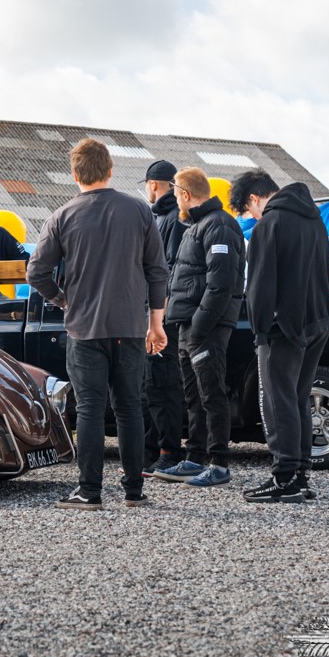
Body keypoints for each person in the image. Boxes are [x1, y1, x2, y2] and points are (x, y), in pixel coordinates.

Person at [27, 139, 169, 510]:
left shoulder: (63, 215)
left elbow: (36, 272)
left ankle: (89, 491)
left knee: (89, 409)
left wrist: (62, 300)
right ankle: (134, 490)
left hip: (84, 327)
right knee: (129, 408)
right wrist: (156, 324)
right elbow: (157, 271)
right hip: (130, 326)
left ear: (75, 175)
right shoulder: (139, 211)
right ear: (110, 171)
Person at [231, 170, 329, 504]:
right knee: (298, 397)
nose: (252, 217)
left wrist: (260, 328)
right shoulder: (314, 220)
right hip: (318, 320)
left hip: (283, 326)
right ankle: (300, 475)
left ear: (253, 199)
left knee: (277, 400)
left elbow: (259, 286)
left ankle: (285, 477)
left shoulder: (269, 224)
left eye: (249, 212)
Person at [154, 167, 245, 488]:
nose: (174, 198)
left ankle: (219, 464)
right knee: (193, 397)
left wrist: (200, 326)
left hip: (205, 328)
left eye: (175, 193)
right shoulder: (197, 226)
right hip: (187, 326)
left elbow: (220, 284)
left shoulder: (220, 226)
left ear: (185, 194)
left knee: (211, 394)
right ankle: (194, 459)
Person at [140, 159, 188, 475]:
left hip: (163, 319)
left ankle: (170, 451)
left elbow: (167, 272)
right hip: (157, 315)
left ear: (154, 185)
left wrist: (155, 320)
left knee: (162, 385)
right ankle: (149, 454)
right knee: (149, 387)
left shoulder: (172, 219)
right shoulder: (163, 218)